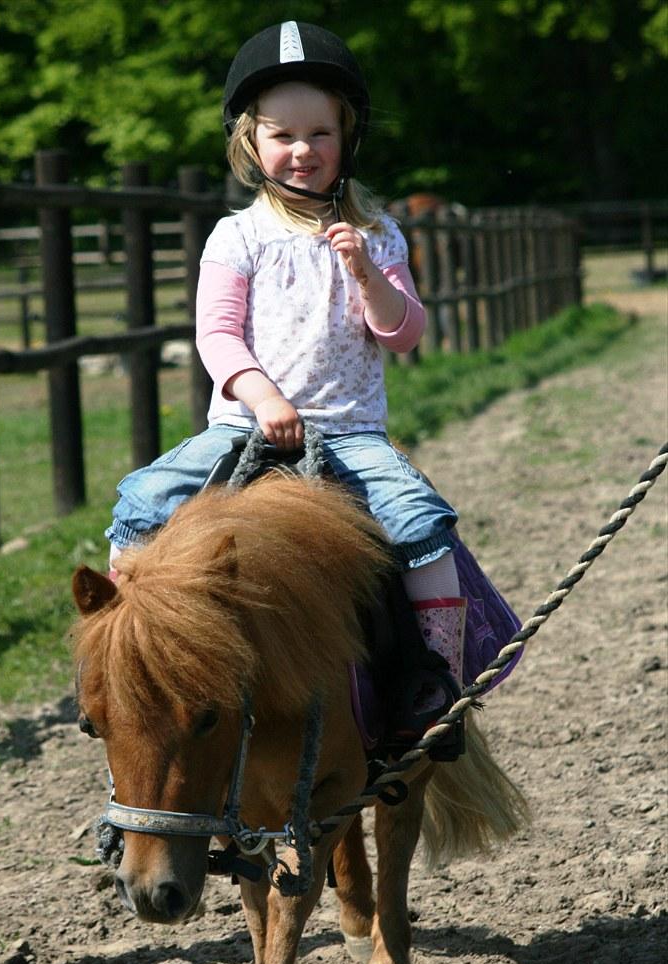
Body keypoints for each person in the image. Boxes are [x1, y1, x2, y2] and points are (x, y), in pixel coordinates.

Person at [106, 21, 516, 698]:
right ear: (251, 142)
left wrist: (366, 273)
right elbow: (217, 335)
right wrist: (264, 399)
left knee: (422, 524)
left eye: (320, 134)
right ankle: (127, 667)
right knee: (140, 505)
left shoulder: (377, 233)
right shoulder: (237, 236)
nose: (303, 150)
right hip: (244, 425)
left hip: (351, 431)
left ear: (346, 138)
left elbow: (403, 333)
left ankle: (435, 679)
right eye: (283, 135)